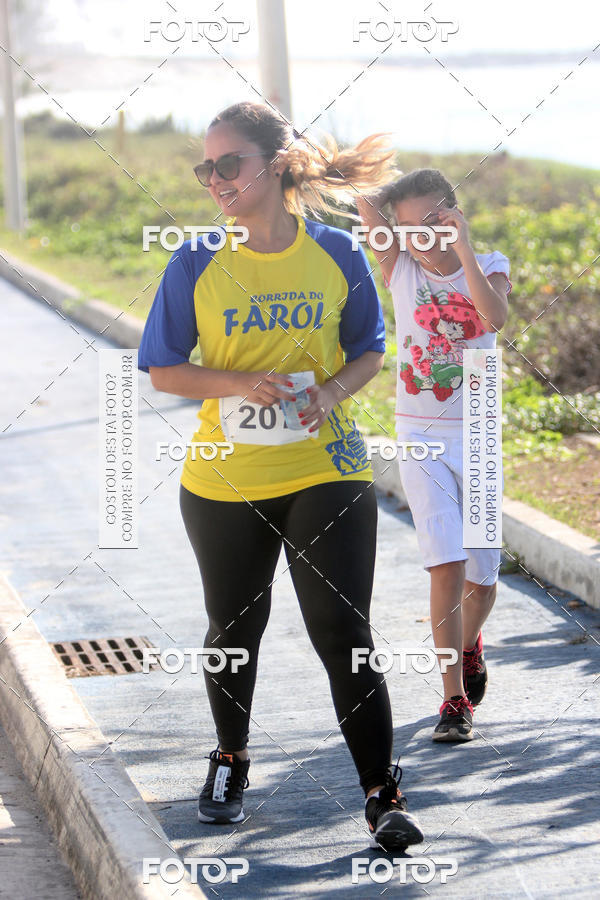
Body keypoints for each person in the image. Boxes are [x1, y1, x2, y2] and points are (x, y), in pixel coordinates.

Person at [137, 101, 423, 850]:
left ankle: (381, 793)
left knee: (343, 628)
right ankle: (230, 759)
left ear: (272, 164)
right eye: (206, 168)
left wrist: (331, 391)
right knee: (235, 629)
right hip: (225, 478)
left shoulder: (335, 252)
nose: (214, 179)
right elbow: (163, 369)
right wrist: (235, 383)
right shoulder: (196, 259)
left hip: (325, 466)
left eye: (227, 164)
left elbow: (368, 348)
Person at [357, 168, 511, 742]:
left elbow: (495, 318)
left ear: (452, 215)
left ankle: (470, 641)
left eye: (431, 225)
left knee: (484, 576)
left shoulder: (489, 264)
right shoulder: (399, 270)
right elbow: (365, 202)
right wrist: (389, 203)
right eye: (407, 230)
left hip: (478, 435)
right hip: (418, 433)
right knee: (444, 562)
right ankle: (453, 700)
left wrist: (462, 243)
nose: (418, 240)